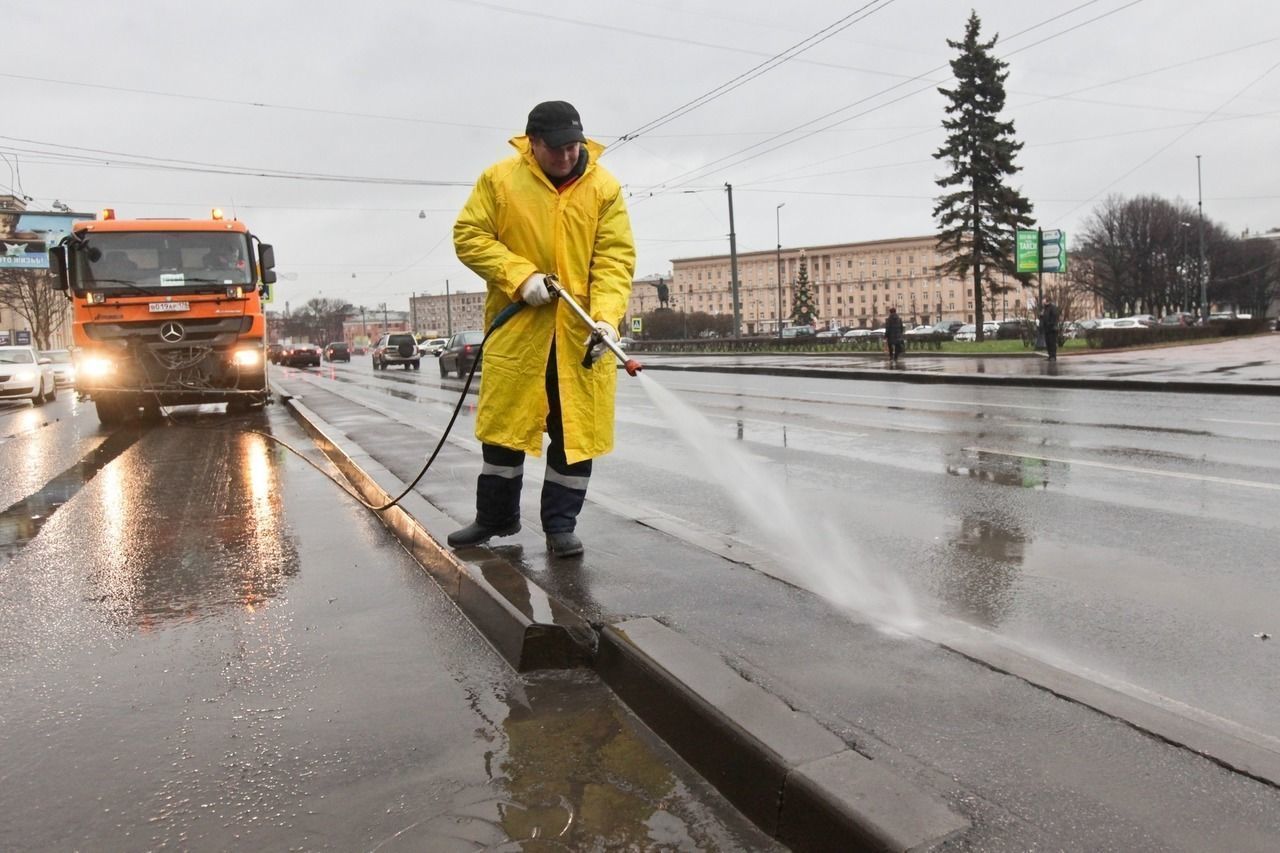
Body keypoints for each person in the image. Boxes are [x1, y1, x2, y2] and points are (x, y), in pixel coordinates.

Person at [449, 101, 636, 558]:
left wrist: (607, 319)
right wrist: (520, 276)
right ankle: (495, 519)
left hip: (579, 336)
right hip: (520, 333)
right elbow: (469, 236)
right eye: (556, 149)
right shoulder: (500, 181)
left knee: (574, 436)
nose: (567, 156)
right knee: (503, 432)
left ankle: (560, 526)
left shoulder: (603, 188)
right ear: (532, 143)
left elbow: (614, 260)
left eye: (573, 146)